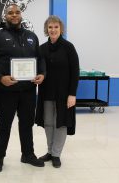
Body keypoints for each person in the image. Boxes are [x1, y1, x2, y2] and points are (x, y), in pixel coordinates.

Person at [0, 3, 46, 173]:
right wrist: (0, 78)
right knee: (5, 124)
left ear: (21, 15)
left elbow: (40, 59)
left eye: (17, 12)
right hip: (5, 91)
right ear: (5, 16)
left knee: (26, 124)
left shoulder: (32, 36)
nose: (14, 15)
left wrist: (42, 74)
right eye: (10, 13)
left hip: (29, 90)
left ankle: (28, 154)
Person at [35, 15, 79, 168]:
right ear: (46, 29)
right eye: (50, 27)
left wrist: (72, 94)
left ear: (61, 29)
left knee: (60, 123)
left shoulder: (68, 47)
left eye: (56, 27)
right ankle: (49, 150)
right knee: (48, 122)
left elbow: (75, 72)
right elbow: (38, 69)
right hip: (46, 92)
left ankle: (56, 154)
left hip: (64, 94)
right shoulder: (41, 49)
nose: (53, 30)